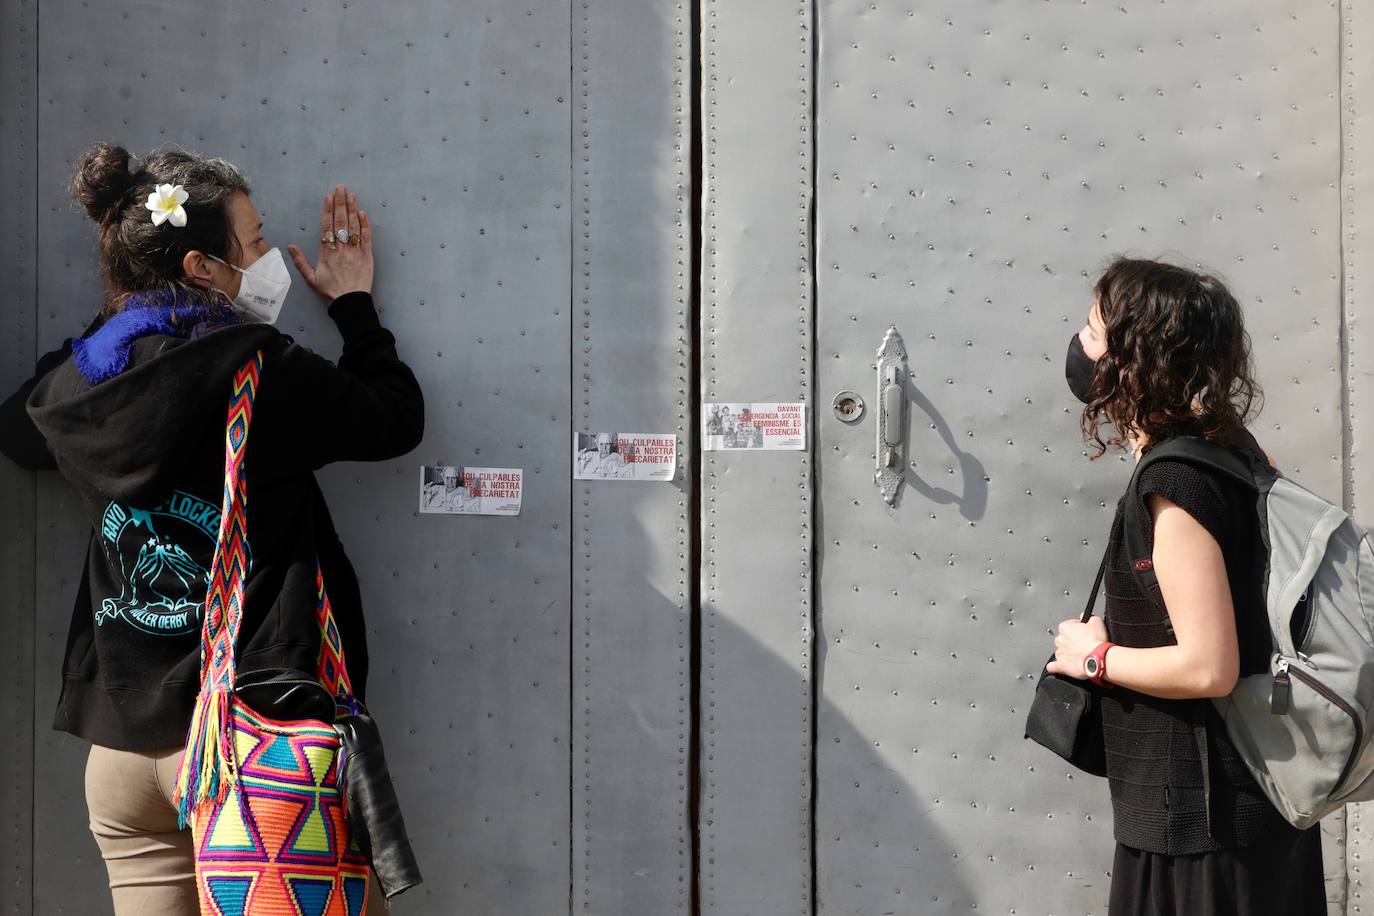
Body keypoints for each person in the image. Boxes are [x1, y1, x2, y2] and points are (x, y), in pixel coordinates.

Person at [0, 142, 424, 915]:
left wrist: (118, 311)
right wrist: (355, 307)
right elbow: (394, 420)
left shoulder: (78, 384)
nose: (269, 260)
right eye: (256, 242)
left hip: (122, 749)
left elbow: (18, 433)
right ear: (203, 266)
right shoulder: (259, 370)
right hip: (252, 744)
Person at [1046, 257, 1324, 914]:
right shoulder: (1231, 451)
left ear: (1135, 361)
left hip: (1205, 833)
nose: (1081, 347)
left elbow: (1210, 667)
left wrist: (1094, 658)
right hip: (1218, 815)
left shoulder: (1177, 487)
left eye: (1092, 331)